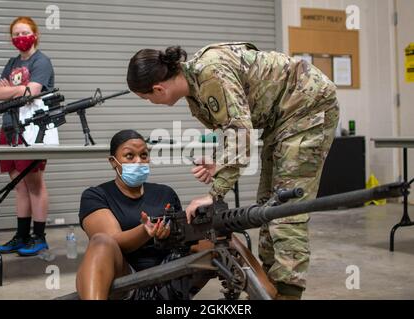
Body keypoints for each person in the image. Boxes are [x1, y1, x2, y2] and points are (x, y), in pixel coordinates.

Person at [126, 42, 340, 299]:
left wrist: (215, 193)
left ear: (158, 88)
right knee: (267, 207)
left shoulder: (209, 72)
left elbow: (240, 131)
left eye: (147, 98)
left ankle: (287, 293)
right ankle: (269, 288)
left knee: (286, 211)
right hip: (283, 118)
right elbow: (235, 125)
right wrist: (220, 162)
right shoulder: (196, 85)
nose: (151, 103)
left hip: (307, 105)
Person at [77, 129, 187, 300]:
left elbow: (183, 237)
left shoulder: (165, 193)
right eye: (129, 156)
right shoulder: (96, 195)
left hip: (168, 274)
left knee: (215, 236)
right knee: (101, 242)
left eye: (144, 155)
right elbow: (112, 240)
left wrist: (168, 234)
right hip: (125, 279)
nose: (138, 161)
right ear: (113, 162)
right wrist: (144, 231)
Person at [0, 17, 55, 256]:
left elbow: (34, 92)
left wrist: (12, 90)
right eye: (16, 34)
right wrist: (17, 91)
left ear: (35, 35)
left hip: (32, 127)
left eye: (24, 33)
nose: (20, 38)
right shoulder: (12, 62)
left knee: (35, 184)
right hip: (9, 126)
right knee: (19, 185)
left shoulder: (42, 61)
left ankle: (39, 237)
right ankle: (21, 236)